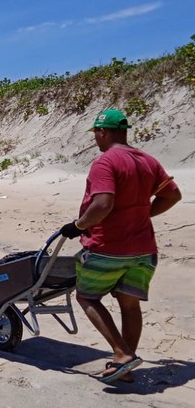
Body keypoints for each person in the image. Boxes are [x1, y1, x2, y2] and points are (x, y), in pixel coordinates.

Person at [59, 109, 181, 383]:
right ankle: (124, 365)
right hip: (144, 249)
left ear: (103, 132)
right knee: (130, 304)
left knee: (87, 297)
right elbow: (173, 195)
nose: (95, 139)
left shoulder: (105, 162)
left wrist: (78, 225)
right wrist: (143, 214)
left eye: (96, 134)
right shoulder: (148, 160)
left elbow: (103, 204)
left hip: (108, 247)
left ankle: (122, 353)